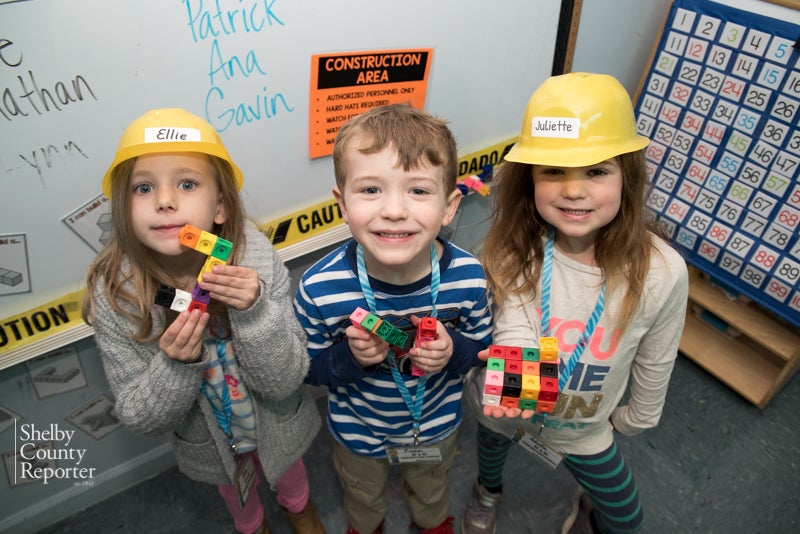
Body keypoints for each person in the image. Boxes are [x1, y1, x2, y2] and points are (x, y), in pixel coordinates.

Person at [460, 73, 689, 534]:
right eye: (553, 172)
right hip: (505, 409)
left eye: (597, 170)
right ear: (530, 179)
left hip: (583, 430)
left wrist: (635, 418)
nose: (573, 190)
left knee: (625, 517)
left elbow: (656, 358)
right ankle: (488, 490)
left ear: (628, 173)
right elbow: (514, 325)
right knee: (492, 444)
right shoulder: (513, 248)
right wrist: (515, 383)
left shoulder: (662, 271)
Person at [81, 108, 325, 534]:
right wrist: (174, 363)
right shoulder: (116, 295)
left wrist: (255, 313)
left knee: (292, 477)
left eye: (187, 183)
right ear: (123, 208)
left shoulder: (252, 257)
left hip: (276, 422)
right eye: (143, 187)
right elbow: (141, 418)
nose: (164, 200)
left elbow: (286, 380)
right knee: (240, 500)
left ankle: (300, 512)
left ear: (220, 207)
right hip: (214, 445)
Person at [293, 104, 493, 534]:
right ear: (341, 203)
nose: (395, 210)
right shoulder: (318, 287)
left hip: (436, 425)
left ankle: (433, 523)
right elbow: (307, 368)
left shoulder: (470, 278)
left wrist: (453, 350)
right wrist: (351, 359)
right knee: (362, 497)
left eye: (419, 191)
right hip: (358, 433)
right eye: (370, 191)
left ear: (450, 205)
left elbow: (483, 352)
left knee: (433, 491)